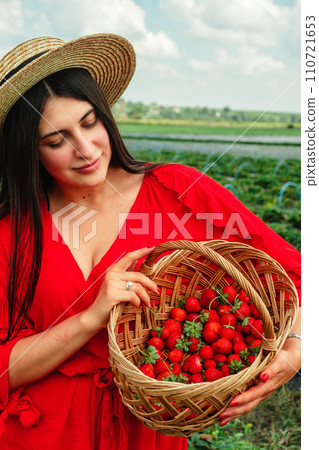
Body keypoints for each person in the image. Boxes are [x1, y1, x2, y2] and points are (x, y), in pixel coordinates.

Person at [0, 34, 301, 449]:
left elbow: (295, 275)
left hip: (146, 433)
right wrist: (88, 318)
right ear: (28, 152)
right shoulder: (11, 233)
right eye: (56, 140)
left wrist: (294, 352)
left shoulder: (178, 191)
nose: (84, 149)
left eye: (90, 123)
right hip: (42, 435)